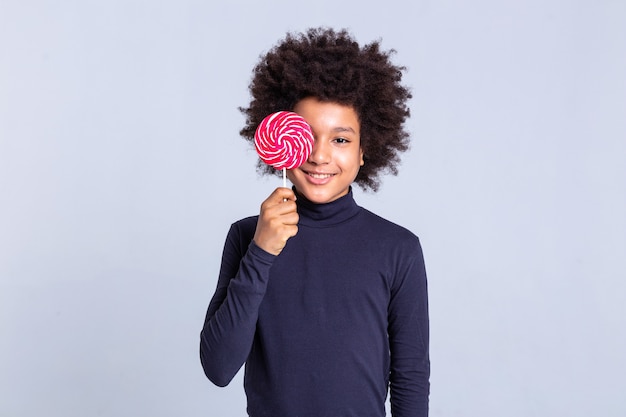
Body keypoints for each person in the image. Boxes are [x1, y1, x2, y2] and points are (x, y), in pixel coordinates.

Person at [200, 27, 429, 417]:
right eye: (307, 135)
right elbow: (218, 368)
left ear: (364, 151)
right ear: (281, 140)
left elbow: (409, 376)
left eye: (340, 140)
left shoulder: (398, 248)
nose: (320, 156)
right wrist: (261, 252)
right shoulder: (246, 236)